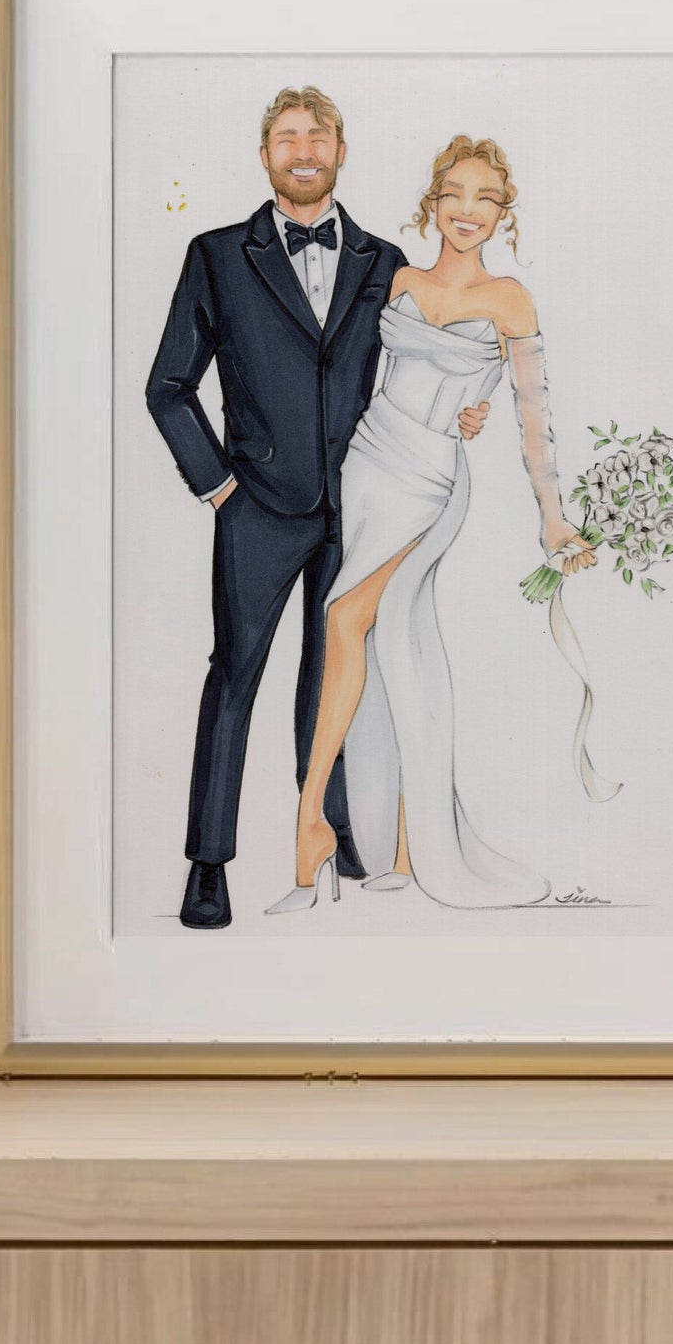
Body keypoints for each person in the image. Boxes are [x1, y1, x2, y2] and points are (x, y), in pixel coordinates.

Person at [140, 88, 484, 929]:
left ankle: (331, 830)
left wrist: (467, 409)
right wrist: (218, 485)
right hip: (256, 504)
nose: (303, 150)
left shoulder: (382, 258)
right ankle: (207, 865)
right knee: (235, 676)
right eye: (286, 138)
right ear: (265, 157)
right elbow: (168, 386)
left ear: (340, 151)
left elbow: (414, 365)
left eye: (318, 136)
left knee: (333, 675)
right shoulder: (217, 254)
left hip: (362, 503)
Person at [277, 135, 593, 915]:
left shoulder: (511, 298)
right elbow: (356, 374)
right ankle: (406, 848)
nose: (468, 211)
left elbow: (533, 418)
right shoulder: (398, 280)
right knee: (394, 647)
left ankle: (310, 819)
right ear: (433, 201)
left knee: (345, 618)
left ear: (503, 213)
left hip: (431, 478)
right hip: (371, 461)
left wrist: (554, 519)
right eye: (455, 193)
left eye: (486, 199)